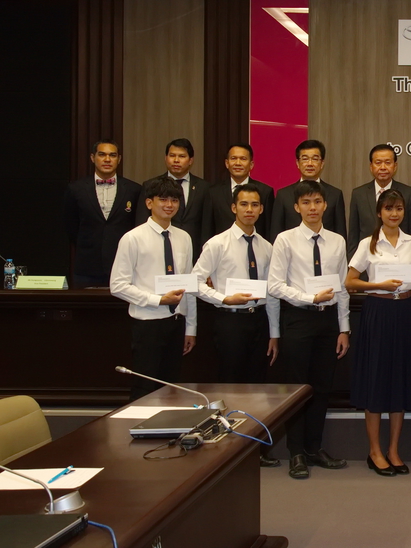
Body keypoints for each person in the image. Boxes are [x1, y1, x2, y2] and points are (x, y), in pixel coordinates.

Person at [267, 180, 351, 480]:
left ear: (325, 205)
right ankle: (296, 452)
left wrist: (344, 328)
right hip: (298, 319)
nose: (312, 208)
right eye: (306, 203)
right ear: (297, 207)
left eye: (317, 202)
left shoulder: (337, 241)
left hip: (328, 322)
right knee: (297, 389)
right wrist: (308, 297)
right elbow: (274, 285)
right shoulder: (285, 240)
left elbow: (342, 287)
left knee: (322, 387)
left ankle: (314, 448)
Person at [194, 185, 282, 468]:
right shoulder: (217, 244)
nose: (249, 210)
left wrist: (274, 333)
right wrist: (223, 298)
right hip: (229, 320)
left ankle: (255, 448)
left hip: (258, 320)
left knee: (257, 388)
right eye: (244, 204)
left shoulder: (267, 247)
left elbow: (272, 293)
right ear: (233, 208)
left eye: (255, 205)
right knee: (230, 386)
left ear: (261, 209)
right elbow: (195, 282)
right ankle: (228, 451)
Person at [345, 190, 411, 477]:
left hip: (405, 314)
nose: (394, 214)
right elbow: (350, 282)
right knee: (376, 381)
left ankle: (393, 450)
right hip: (378, 313)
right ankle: (374, 451)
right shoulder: (368, 244)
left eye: (399, 209)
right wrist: (378, 284)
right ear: (379, 212)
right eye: (389, 209)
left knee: (399, 382)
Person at [110, 176, 197, 400]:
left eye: (174, 200)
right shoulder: (133, 238)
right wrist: (158, 300)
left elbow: (189, 284)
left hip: (176, 322)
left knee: (171, 388)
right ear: (149, 203)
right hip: (147, 323)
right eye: (163, 199)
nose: (169, 205)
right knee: (145, 389)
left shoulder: (184, 238)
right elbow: (117, 285)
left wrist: (191, 327)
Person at [63, 139, 142, 287]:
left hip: (124, 265)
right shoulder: (75, 189)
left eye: (112, 155)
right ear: (93, 158)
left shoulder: (134, 190)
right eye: (102, 154)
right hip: (87, 266)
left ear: (119, 159)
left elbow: (137, 226)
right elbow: (71, 226)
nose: (107, 159)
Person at [138, 138, 209, 263]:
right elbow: (141, 221)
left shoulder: (204, 187)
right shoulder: (150, 185)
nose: (176, 160)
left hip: (194, 252)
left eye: (182, 156)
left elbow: (207, 225)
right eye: (172, 156)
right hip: (157, 251)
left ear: (190, 160)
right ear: (166, 158)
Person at [349, 144, 411, 257]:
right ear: (371, 166)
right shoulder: (358, 194)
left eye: (387, 162)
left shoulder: (408, 193)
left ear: (395, 166)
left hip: (400, 259)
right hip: (368, 259)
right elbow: (353, 235)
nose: (383, 167)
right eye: (378, 163)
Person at [270, 139, 345, 241]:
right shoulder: (283, 195)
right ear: (297, 163)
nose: (310, 163)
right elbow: (276, 233)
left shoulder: (335, 195)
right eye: (305, 159)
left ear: (322, 163)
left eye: (315, 159)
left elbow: (340, 233)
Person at [203, 143, 275, 241]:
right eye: (233, 158)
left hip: (254, 246)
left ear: (251, 164)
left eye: (243, 159)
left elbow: (269, 229)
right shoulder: (213, 192)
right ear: (227, 163)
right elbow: (207, 230)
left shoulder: (265, 192)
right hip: (222, 247)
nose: (238, 163)